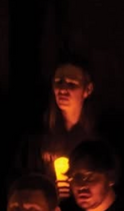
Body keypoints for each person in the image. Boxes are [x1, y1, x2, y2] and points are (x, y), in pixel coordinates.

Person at [14, 59, 98, 196]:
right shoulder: (36, 139)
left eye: (72, 84)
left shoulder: (97, 139)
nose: (63, 89)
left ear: (87, 89)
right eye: (59, 82)